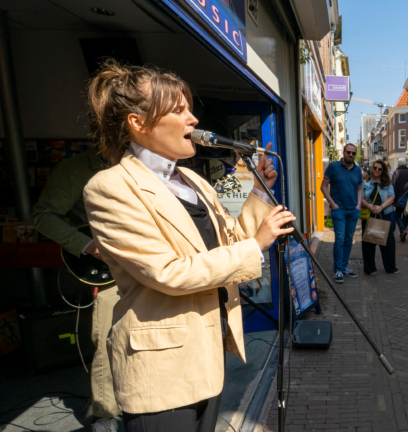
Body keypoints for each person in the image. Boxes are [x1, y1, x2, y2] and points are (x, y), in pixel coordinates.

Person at [82, 61, 295, 432]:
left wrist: (255, 186)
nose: (193, 119)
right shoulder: (109, 187)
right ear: (138, 122)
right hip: (160, 371)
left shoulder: (192, 178)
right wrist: (257, 245)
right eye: (179, 110)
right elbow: (169, 271)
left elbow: (227, 230)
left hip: (206, 357)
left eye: (190, 109)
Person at [31, 145, 119, 432]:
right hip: (110, 270)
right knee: (108, 339)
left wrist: (244, 183)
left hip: (150, 263)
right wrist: (86, 245)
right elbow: (44, 215)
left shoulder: (149, 161)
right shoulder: (76, 169)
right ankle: (105, 415)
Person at [321, 143, 363, 284]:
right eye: (348, 152)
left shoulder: (357, 170)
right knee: (339, 239)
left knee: (348, 239)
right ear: (343, 153)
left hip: (353, 210)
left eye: (353, 153)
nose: (351, 155)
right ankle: (338, 269)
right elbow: (323, 186)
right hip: (339, 210)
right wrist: (332, 204)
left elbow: (359, 188)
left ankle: (344, 267)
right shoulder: (333, 166)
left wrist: (358, 204)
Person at [361, 160, 398, 275]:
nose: (376, 170)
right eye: (375, 168)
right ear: (372, 169)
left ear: (383, 171)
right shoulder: (365, 184)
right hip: (369, 214)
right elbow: (361, 198)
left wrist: (381, 207)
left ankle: (390, 267)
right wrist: (370, 206)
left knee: (388, 242)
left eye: (379, 169)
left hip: (384, 213)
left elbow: (391, 198)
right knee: (368, 242)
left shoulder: (387, 184)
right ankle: (370, 268)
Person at [392, 158, 408, 241]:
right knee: (405, 216)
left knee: (397, 214)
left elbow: (393, 186)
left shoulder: (396, 172)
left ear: (399, 164)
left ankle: (402, 230)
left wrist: (393, 199)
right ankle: (403, 232)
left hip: (399, 198)